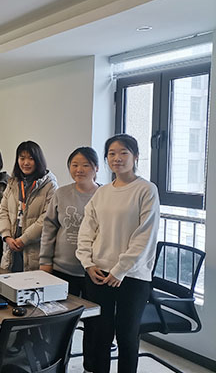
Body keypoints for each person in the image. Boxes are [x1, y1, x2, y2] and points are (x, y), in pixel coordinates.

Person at [76, 134, 160, 373]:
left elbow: (144, 236)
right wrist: (87, 263)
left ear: (136, 157)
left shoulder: (146, 190)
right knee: (100, 334)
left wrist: (120, 269)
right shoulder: (102, 192)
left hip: (132, 276)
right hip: (98, 273)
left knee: (127, 336)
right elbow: (87, 229)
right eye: (112, 153)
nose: (117, 158)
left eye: (124, 152)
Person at [39, 146, 99, 372]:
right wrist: (45, 261)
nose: (79, 169)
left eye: (85, 165)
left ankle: (90, 366)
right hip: (62, 268)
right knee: (60, 323)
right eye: (74, 165)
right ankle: (59, 366)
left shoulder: (104, 195)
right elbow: (49, 228)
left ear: (96, 168)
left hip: (94, 271)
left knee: (94, 323)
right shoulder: (61, 193)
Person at [0, 141, 57, 272]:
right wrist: (6, 236)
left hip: (34, 249)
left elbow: (46, 218)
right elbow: (3, 211)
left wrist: (24, 239)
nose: (26, 162)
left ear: (38, 160)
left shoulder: (49, 185)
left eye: (31, 158)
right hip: (11, 247)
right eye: (22, 158)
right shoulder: (13, 182)